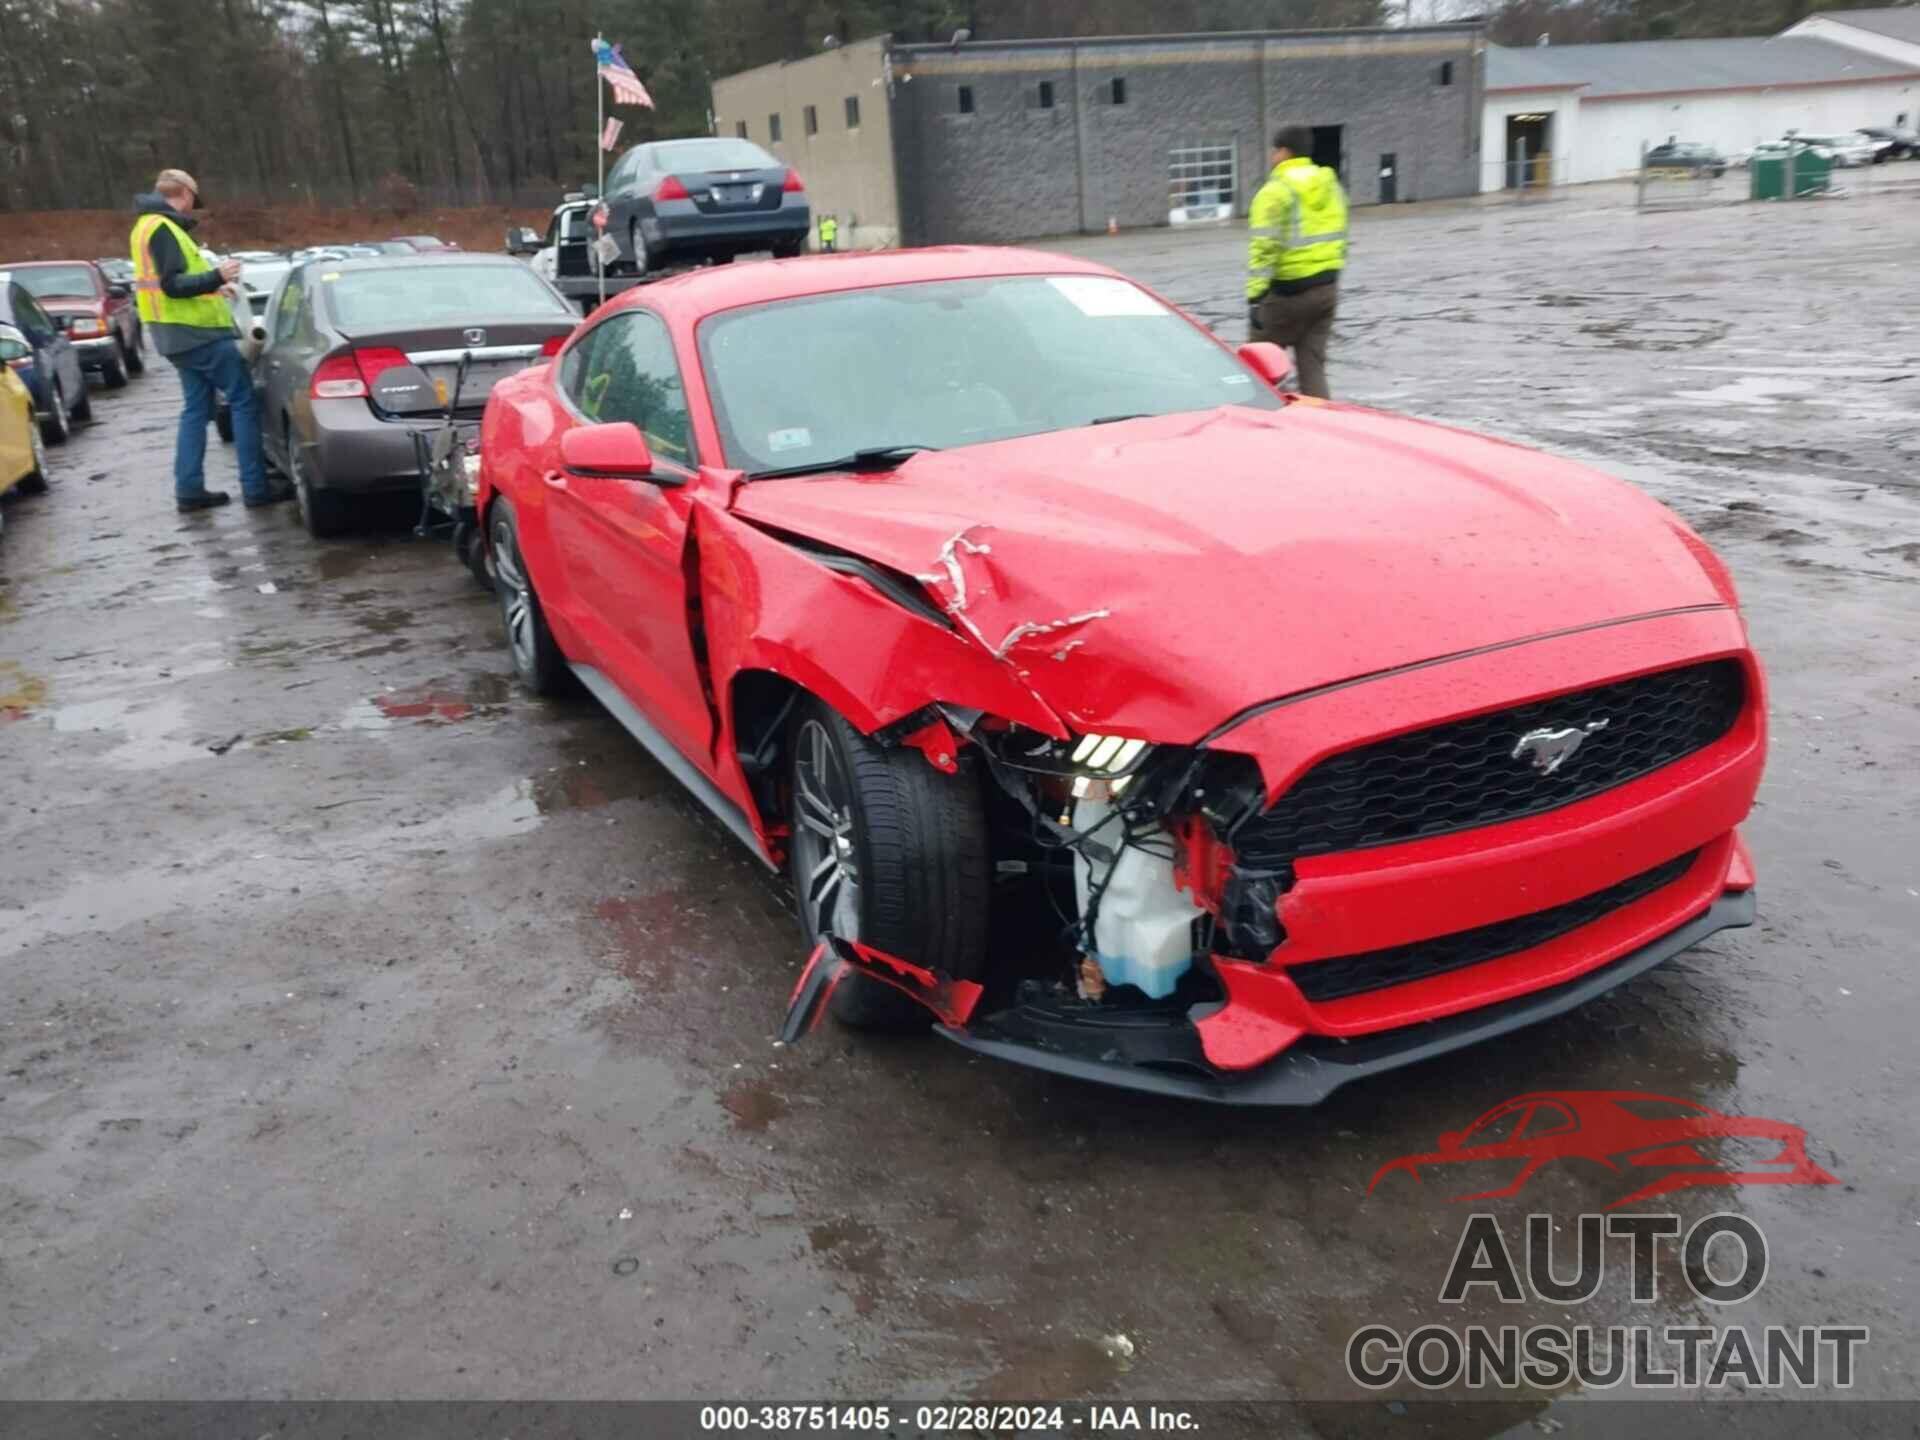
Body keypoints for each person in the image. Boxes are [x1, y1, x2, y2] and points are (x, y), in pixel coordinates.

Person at [130, 168, 282, 512]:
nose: (191, 209)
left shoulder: (144, 227)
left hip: (171, 334)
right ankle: (256, 488)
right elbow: (172, 284)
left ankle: (189, 490)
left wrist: (213, 285)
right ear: (183, 194)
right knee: (243, 400)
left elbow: (170, 284)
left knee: (196, 410)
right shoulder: (165, 228)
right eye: (191, 202)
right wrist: (218, 274)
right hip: (198, 334)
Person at [1246, 126, 1349, 401]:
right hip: (1326, 290)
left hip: (1286, 295)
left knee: (1257, 367)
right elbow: (1341, 238)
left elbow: (1264, 250)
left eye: (1273, 150)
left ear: (1282, 152)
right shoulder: (1332, 187)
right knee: (1313, 367)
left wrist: (1255, 298)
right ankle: (1322, 426)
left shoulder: (1275, 192)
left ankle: (1263, 425)